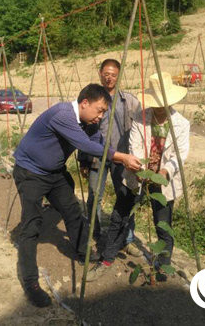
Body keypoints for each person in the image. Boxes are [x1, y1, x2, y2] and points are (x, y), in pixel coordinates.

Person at [12, 83, 142, 307]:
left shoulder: (88, 122)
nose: (101, 117)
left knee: (72, 211)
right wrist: (121, 157)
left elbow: (97, 142)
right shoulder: (62, 114)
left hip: (54, 172)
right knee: (31, 225)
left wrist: (117, 157)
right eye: (99, 111)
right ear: (84, 103)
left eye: (104, 113)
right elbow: (85, 145)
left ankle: (83, 251)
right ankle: (31, 282)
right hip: (31, 172)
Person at [87, 72, 190, 282]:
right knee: (119, 217)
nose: (158, 108)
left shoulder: (181, 124)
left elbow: (180, 155)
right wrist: (141, 170)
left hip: (163, 181)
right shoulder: (140, 118)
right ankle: (107, 259)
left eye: (162, 104)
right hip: (137, 175)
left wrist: (164, 172)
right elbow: (134, 146)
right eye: (156, 104)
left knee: (163, 224)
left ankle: (162, 266)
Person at [78, 59, 141, 256]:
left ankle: (126, 239)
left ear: (119, 76)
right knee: (94, 195)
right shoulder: (92, 99)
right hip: (97, 157)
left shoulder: (128, 101)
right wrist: (83, 159)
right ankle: (95, 234)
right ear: (100, 74)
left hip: (121, 157)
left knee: (125, 196)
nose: (109, 78)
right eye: (106, 74)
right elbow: (83, 132)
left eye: (113, 75)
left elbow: (141, 126)